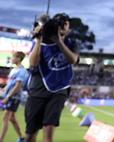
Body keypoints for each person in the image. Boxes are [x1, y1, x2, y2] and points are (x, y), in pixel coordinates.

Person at [24, 13, 79, 142]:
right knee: (30, 135)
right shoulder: (41, 42)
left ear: (68, 28)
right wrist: (38, 40)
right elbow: (33, 63)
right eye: (60, 23)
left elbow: (73, 60)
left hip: (59, 90)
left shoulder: (71, 43)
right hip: (37, 90)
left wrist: (59, 41)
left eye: (66, 23)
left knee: (48, 132)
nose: (63, 26)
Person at [0, 51, 29, 142]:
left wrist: (7, 97)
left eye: (13, 57)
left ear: (18, 59)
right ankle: (21, 137)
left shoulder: (22, 71)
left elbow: (17, 86)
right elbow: (10, 84)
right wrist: (3, 90)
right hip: (9, 96)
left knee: (5, 118)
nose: (11, 59)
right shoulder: (13, 70)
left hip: (14, 98)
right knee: (12, 118)